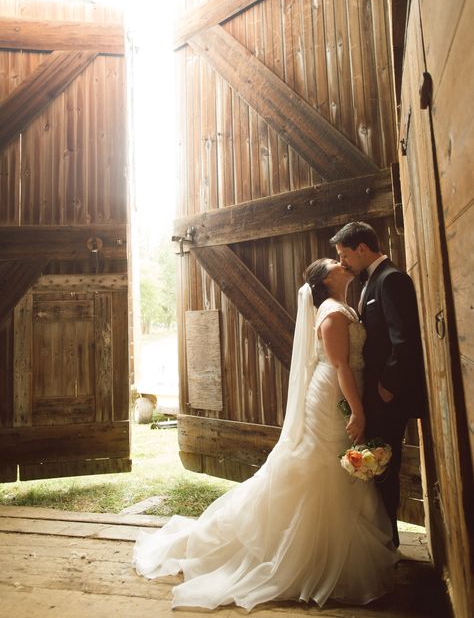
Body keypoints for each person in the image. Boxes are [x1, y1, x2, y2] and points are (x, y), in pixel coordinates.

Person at [133, 258, 398, 610]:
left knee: (333, 464)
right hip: (334, 392)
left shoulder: (343, 305)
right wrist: (359, 410)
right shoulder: (332, 313)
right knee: (322, 462)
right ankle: (310, 552)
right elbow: (339, 365)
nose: (340, 262)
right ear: (325, 279)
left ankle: (328, 547)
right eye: (334, 262)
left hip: (346, 387)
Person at [330, 221, 425, 547]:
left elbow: (405, 340)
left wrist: (388, 385)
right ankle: (384, 539)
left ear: (362, 248)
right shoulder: (371, 282)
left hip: (387, 396)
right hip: (373, 395)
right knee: (378, 467)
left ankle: (389, 543)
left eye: (345, 254)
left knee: (384, 466)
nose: (343, 262)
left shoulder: (392, 279)